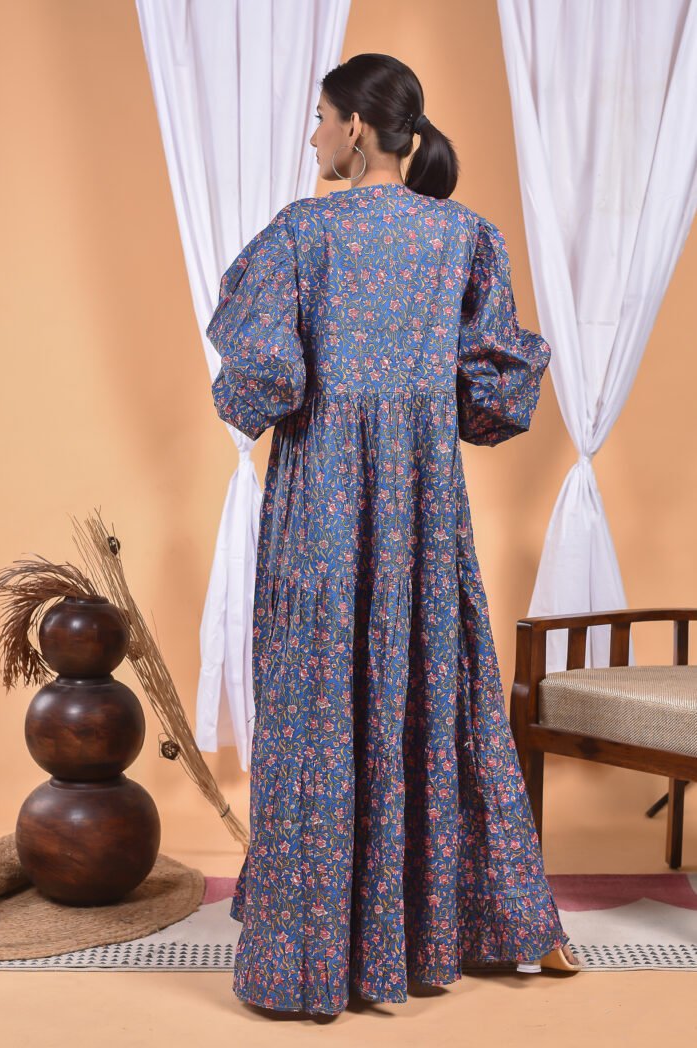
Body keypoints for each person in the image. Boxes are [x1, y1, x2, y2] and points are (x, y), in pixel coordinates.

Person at [207, 52, 580, 1018]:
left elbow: (262, 387)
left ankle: (313, 957)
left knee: (320, 700)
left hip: (324, 504)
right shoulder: (464, 236)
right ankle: (456, 929)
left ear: (359, 131)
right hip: (421, 507)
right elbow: (495, 400)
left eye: (321, 119)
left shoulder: (302, 233)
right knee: (431, 690)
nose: (314, 135)